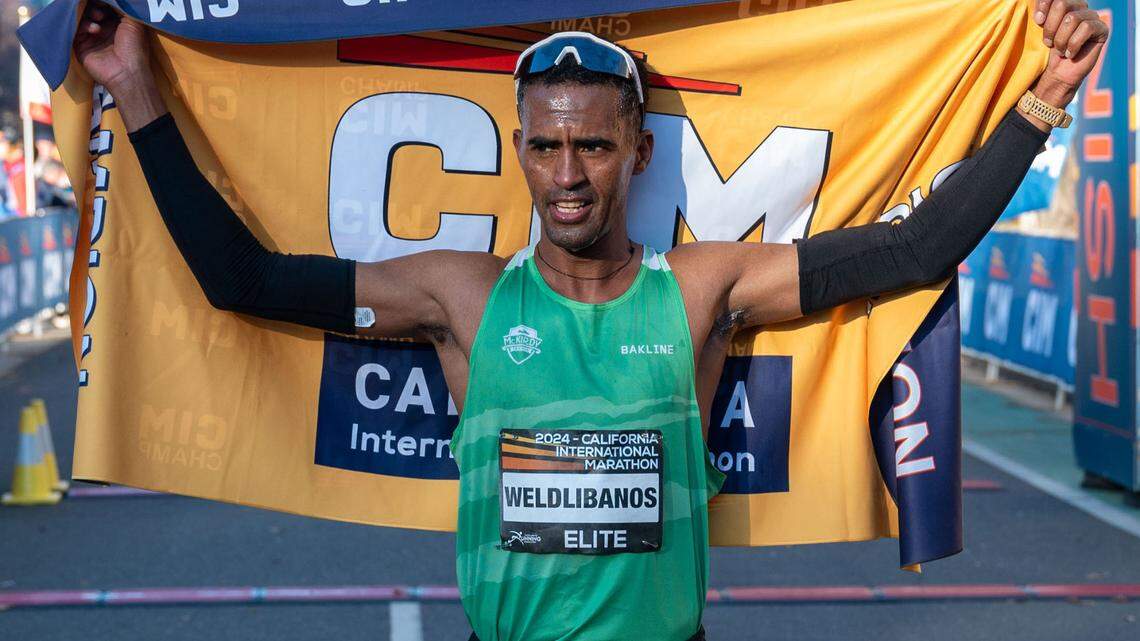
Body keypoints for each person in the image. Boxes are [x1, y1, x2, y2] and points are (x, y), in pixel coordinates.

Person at [72, 1, 1107, 639]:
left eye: (595, 148)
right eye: (547, 147)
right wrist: (133, 88)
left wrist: (1044, 97)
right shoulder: (460, 296)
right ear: (520, 147)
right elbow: (242, 279)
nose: (568, 176)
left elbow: (909, 251)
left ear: (638, 150)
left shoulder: (701, 288)